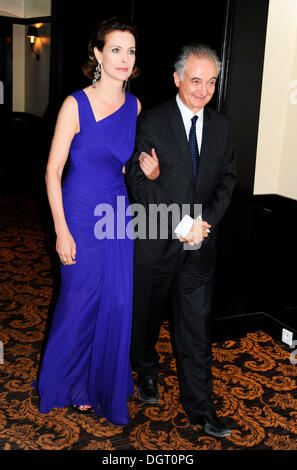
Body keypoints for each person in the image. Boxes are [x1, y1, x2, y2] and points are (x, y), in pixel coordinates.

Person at [33, 17, 142, 426]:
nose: (123, 58)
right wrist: (61, 230)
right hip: (79, 214)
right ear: (97, 54)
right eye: (115, 49)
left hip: (116, 215)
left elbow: (124, 163)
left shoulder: (134, 105)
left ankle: (99, 382)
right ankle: (65, 382)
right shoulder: (74, 104)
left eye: (130, 51)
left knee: (114, 303)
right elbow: (52, 171)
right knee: (77, 303)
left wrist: (145, 172)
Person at [125, 43, 236, 437]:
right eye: (195, 81)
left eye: (210, 82)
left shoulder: (222, 126)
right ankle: (146, 369)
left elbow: (227, 180)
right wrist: (180, 222)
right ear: (177, 79)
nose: (203, 90)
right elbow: (138, 181)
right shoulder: (151, 122)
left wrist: (203, 223)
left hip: (199, 246)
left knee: (195, 328)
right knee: (147, 321)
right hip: (156, 242)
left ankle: (201, 408)